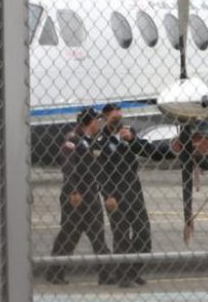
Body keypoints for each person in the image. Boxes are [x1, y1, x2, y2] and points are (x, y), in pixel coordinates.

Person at [46, 107, 111, 285]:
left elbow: (99, 170)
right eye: (97, 121)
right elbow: (68, 166)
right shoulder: (72, 140)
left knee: (98, 236)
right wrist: (73, 191)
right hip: (76, 195)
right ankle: (54, 271)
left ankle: (106, 274)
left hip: (91, 194)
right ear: (91, 122)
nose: (100, 124)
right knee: (69, 236)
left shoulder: (92, 141)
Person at [99, 103, 152, 288]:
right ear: (106, 117)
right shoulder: (101, 140)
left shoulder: (128, 133)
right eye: (114, 118)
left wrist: (132, 139)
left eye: (119, 117)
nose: (118, 120)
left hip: (134, 190)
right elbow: (100, 172)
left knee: (143, 233)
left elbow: (146, 151)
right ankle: (122, 275)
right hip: (115, 192)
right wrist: (108, 195)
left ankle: (134, 271)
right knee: (121, 236)